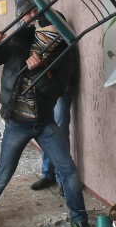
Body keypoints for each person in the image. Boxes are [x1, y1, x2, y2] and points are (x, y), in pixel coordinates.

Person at [0, 0, 90, 227]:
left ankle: (80, 220)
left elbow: (57, 90)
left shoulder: (63, 51)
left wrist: (39, 71)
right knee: (3, 174)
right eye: (30, 14)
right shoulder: (19, 40)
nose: (48, 34)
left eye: (54, 32)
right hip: (17, 122)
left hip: (44, 121)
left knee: (69, 171)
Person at [30, 14, 79, 197]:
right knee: (47, 130)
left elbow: (64, 70)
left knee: (59, 130)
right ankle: (48, 173)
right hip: (45, 91)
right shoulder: (40, 39)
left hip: (60, 91)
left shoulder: (63, 40)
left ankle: (62, 179)